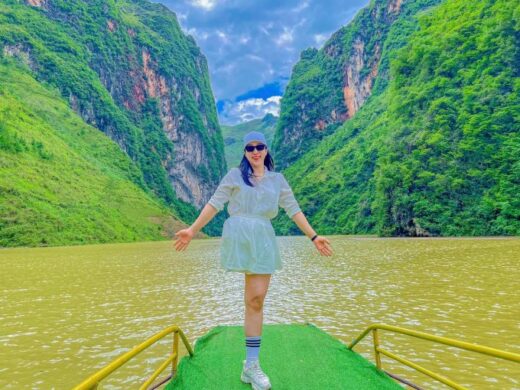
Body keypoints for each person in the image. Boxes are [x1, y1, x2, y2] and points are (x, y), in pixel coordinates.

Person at [174, 131, 333, 390]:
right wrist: (192, 230)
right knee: (250, 299)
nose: (255, 151)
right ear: (245, 152)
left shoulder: (277, 180)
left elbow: (293, 209)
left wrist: (314, 237)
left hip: (262, 237)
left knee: (256, 299)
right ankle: (250, 365)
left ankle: (251, 365)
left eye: (259, 146)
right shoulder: (235, 176)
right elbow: (214, 204)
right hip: (238, 236)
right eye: (250, 148)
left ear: (267, 150)